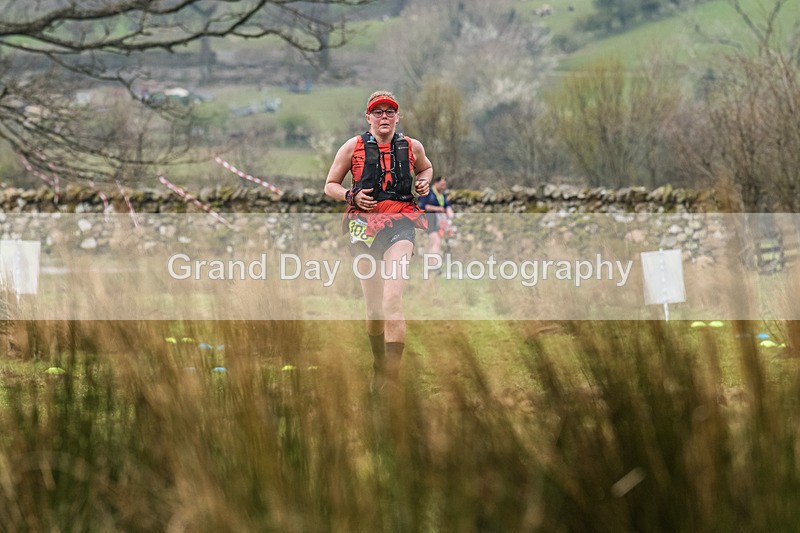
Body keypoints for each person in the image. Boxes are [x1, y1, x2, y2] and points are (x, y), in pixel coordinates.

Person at [324, 91, 433, 392]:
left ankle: (391, 379)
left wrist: (423, 181)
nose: (383, 117)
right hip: (363, 229)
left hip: (401, 223)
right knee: (374, 310)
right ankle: (378, 364)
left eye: (389, 112)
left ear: (398, 116)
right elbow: (330, 184)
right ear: (368, 116)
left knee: (392, 299)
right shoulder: (352, 147)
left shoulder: (412, 146)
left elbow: (425, 167)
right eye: (377, 112)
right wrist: (350, 195)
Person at [419, 176, 454, 267]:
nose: (443, 187)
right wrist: (438, 209)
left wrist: (449, 212)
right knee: (436, 242)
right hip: (429, 219)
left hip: (439, 221)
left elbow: (447, 206)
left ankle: (430, 265)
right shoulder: (428, 193)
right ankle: (433, 266)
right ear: (436, 183)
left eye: (445, 185)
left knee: (434, 243)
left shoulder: (443, 196)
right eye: (441, 184)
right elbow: (424, 206)